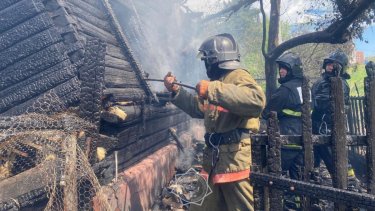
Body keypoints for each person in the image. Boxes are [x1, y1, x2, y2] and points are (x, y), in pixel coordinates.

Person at [164, 33, 265, 211]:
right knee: (199, 207)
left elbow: (256, 101)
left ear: (216, 59)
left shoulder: (238, 76)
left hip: (235, 163)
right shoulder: (217, 82)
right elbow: (198, 108)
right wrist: (176, 91)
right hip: (212, 162)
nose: (205, 65)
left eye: (207, 60)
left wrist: (213, 89)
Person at [261, 52, 304, 210]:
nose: (281, 71)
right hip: (303, 140)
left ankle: (273, 205)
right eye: (280, 68)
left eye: (284, 68)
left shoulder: (285, 90)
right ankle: (297, 205)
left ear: (292, 69)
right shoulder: (305, 86)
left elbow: (267, 112)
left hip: (286, 139)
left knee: (272, 176)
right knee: (298, 179)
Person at [311, 50, 350, 177]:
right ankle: (315, 176)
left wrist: (313, 103)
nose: (329, 66)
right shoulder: (323, 80)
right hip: (317, 123)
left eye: (333, 64)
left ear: (340, 67)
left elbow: (323, 103)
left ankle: (347, 182)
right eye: (328, 63)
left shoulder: (339, 83)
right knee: (315, 154)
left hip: (327, 125)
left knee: (332, 158)